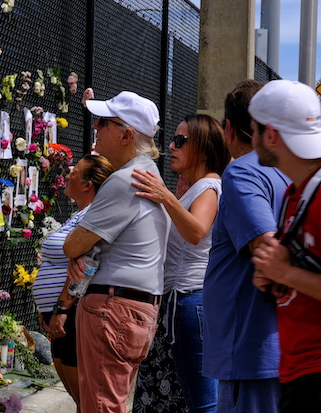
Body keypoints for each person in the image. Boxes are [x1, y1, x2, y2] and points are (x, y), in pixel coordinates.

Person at [59, 91, 170, 413]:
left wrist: (78, 256)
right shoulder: (146, 173)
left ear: (126, 134)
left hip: (113, 307)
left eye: (104, 122)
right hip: (130, 307)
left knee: (101, 407)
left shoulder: (125, 180)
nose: (95, 126)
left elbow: (73, 244)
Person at [132, 114, 231, 413]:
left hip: (188, 302)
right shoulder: (197, 188)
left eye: (180, 141)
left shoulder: (210, 186)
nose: (171, 147)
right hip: (181, 303)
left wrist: (166, 198)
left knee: (201, 403)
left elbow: (196, 232)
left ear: (202, 149)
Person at [202, 79, 290, 413]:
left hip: (254, 352)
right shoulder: (293, 173)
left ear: (229, 129)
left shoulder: (244, 172)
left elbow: (266, 247)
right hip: (278, 349)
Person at [248, 80, 321, 413]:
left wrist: (285, 272)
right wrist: (277, 278)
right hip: (298, 370)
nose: (251, 140)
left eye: (254, 130)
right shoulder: (296, 192)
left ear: (271, 135)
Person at [35, 154, 115, 409]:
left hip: (72, 314)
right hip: (58, 314)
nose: (68, 174)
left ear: (87, 185)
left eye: (75, 172)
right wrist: (46, 309)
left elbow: (86, 268)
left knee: (88, 399)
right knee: (79, 397)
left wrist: (61, 309)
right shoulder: (78, 215)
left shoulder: (92, 216)